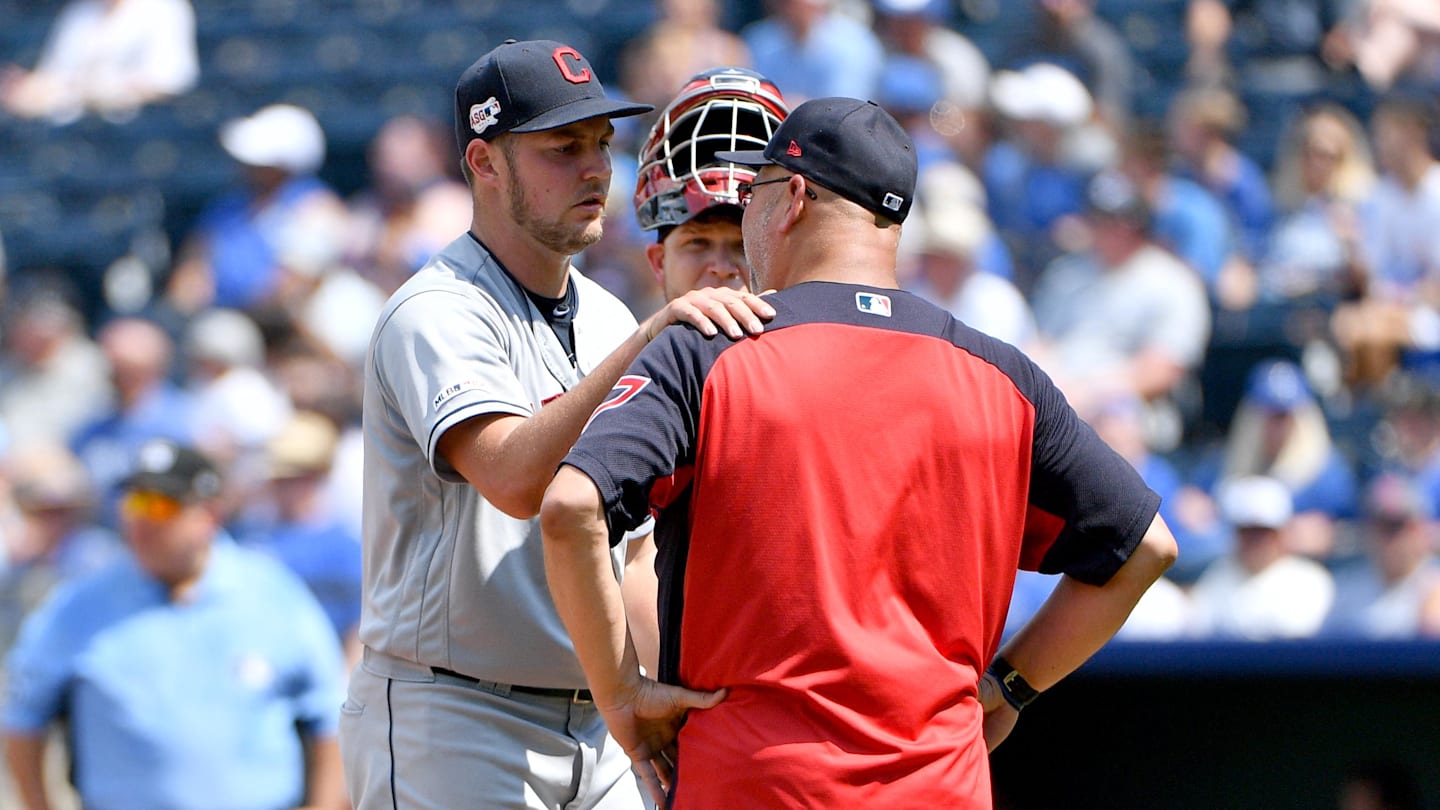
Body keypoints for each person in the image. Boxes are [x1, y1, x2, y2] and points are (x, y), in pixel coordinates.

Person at [540, 96, 1177, 807]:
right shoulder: (1006, 375)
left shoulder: (711, 346)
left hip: (755, 782)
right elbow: (1144, 547)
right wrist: (1011, 686)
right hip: (940, 783)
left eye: (752, 196)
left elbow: (569, 508)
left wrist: (622, 696)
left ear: (794, 198)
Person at [338, 39, 774, 810]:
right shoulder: (436, 311)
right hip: (458, 717)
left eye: (603, 143)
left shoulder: (606, 316)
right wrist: (649, 340)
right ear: (484, 163)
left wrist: (654, 689)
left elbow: (631, 556)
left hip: (599, 722)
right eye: (561, 148)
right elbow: (513, 478)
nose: (597, 168)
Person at [3, 438, 348, 810]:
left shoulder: (271, 591)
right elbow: (23, 719)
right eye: (135, 503)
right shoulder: (79, 604)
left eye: (162, 505)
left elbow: (331, 713)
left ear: (209, 514)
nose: (143, 520)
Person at [632, 66, 790, 301]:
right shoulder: (618, 332)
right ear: (659, 262)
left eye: (744, 246)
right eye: (698, 242)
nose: (722, 267)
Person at [1185, 474, 1335, 639]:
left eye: (1263, 531)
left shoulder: (1310, 580)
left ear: (1281, 532)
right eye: (1247, 531)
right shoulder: (1217, 576)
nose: (1255, 540)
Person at [0, 0, 198, 124]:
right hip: (75, 124)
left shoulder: (165, 7)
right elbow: (54, 75)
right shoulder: (80, 11)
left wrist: (103, 87)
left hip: (137, 122)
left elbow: (172, 79)